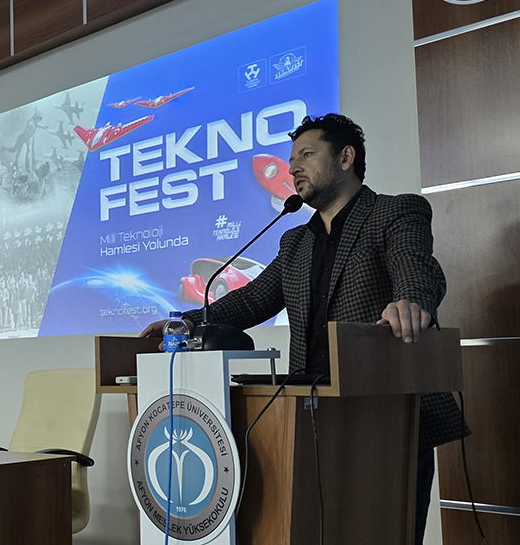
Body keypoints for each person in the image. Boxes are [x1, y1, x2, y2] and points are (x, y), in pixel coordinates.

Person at [140, 113, 467, 544]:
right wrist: (186, 321)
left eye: (307, 155)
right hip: (310, 415)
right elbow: (253, 300)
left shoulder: (394, 211)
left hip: (384, 414)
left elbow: (416, 267)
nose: (293, 167)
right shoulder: (296, 241)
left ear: (346, 157)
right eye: (291, 158)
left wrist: (411, 301)